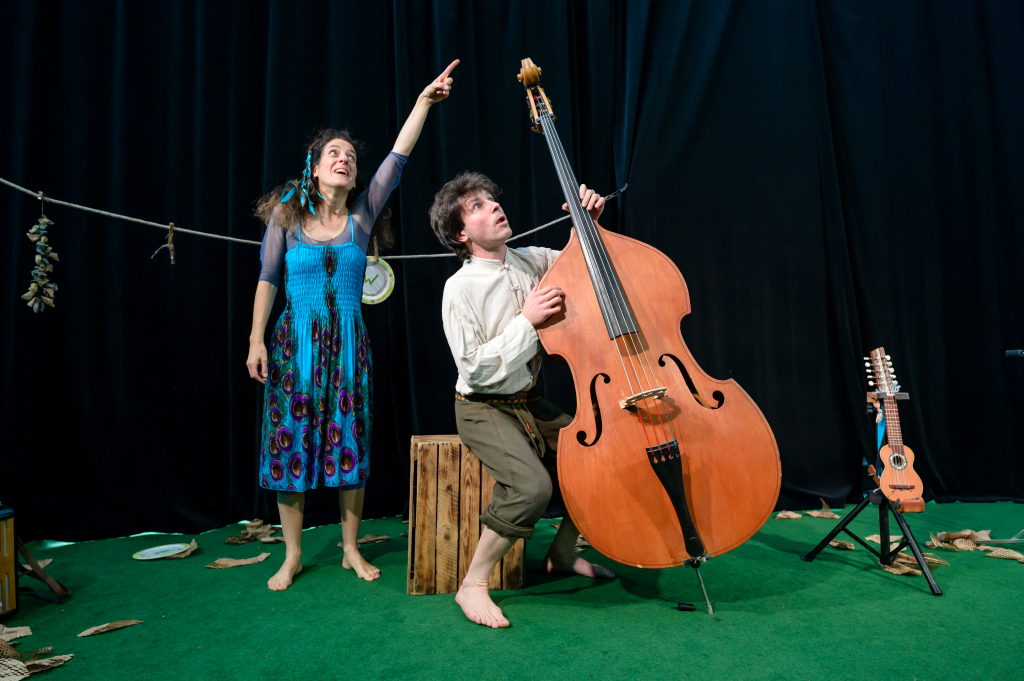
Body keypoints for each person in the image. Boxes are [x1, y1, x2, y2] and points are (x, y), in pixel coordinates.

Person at [247, 60, 459, 591]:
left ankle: (349, 549)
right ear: (314, 168)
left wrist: (424, 102)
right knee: (290, 442)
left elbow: (398, 159)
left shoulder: (362, 216)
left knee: (349, 441)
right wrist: (255, 340)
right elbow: (267, 279)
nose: (344, 159)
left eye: (351, 157)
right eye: (334, 154)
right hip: (294, 344)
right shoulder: (287, 216)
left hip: (346, 346)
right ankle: (292, 555)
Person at [429, 172, 615, 628]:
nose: (493, 206)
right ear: (461, 234)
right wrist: (527, 322)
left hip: (529, 401)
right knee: (532, 488)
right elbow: (475, 369)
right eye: (476, 206)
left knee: (600, 460)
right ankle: (472, 584)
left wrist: (589, 224)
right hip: (482, 407)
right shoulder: (460, 288)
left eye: (491, 199)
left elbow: (586, 265)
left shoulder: (533, 259)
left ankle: (561, 554)